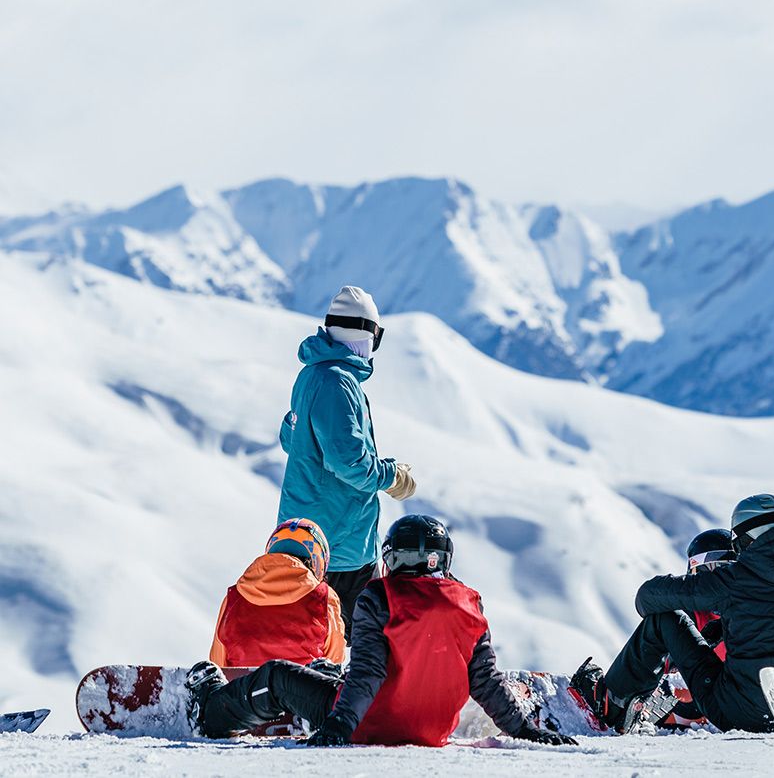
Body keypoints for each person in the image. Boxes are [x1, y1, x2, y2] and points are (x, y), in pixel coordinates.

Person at [185, 515, 577, 747]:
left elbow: (369, 672)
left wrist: (339, 726)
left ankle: (211, 712)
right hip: (432, 732)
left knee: (276, 676)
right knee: (328, 673)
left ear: (390, 560)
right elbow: (486, 682)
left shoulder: (380, 595)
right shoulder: (469, 603)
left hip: (367, 722)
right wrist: (527, 730)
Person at [572, 494, 774, 733]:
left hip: (744, 711)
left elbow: (647, 597)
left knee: (665, 620)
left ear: (746, 537)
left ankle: (611, 703)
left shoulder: (735, 580)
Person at [277, 286, 416, 639]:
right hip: (340, 547)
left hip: (307, 539)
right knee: (358, 646)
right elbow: (349, 461)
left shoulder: (312, 374)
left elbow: (290, 439)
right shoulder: (337, 383)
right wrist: (392, 475)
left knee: (311, 643)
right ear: (365, 334)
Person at [209, 518, 345, 668]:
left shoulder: (233, 598)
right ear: (317, 561)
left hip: (243, 688)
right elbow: (334, 661)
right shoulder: (324, 598)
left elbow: (219, 663)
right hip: (302, 688)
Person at [662, 528, 736, 727]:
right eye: (712, 571)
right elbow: (671, 674)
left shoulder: (747, 614)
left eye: (728, 571)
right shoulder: (689, 615)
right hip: (687, 715)